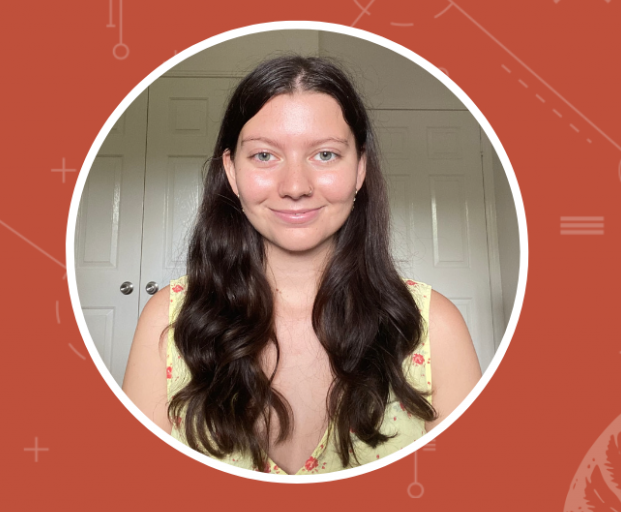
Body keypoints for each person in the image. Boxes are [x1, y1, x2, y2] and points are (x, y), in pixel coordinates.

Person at [124, 55, 481, 475]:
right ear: (231, 172)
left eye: (326, 154)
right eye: (263, 156)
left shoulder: (434, 327)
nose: (295, 187)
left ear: (360, 169)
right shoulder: (166, 321)